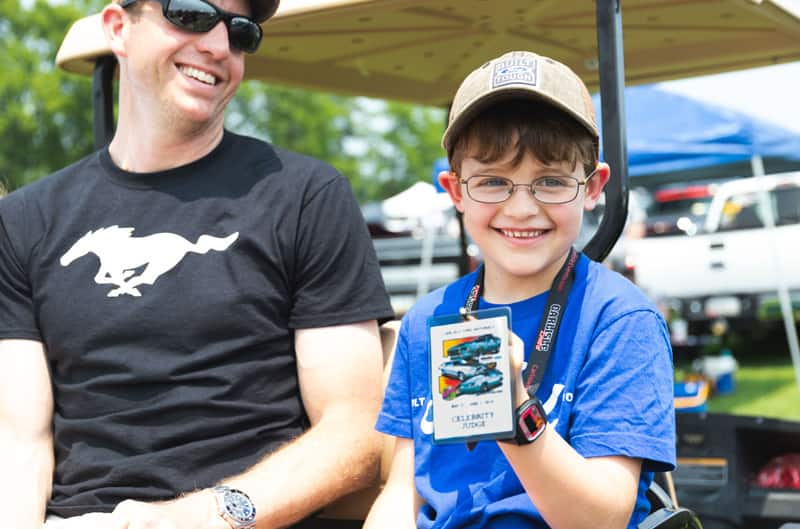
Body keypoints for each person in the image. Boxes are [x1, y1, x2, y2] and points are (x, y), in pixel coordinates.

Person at [0, 0, 395, 528]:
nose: (216, 45)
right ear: (119, 27)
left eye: (241, 31)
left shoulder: (305, 196)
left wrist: (195, 518)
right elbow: (19, 445)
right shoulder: (24, 220)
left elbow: (354, 432)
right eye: (188, 13)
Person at [364, 50, 675, 529]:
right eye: (493, 182)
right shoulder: (428, 319)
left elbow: (603, 518)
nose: (522, 208)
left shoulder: (619, 318)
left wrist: (513, 410)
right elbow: (403, 491)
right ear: (455, 191)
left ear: (594, 188)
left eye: (550, 181)